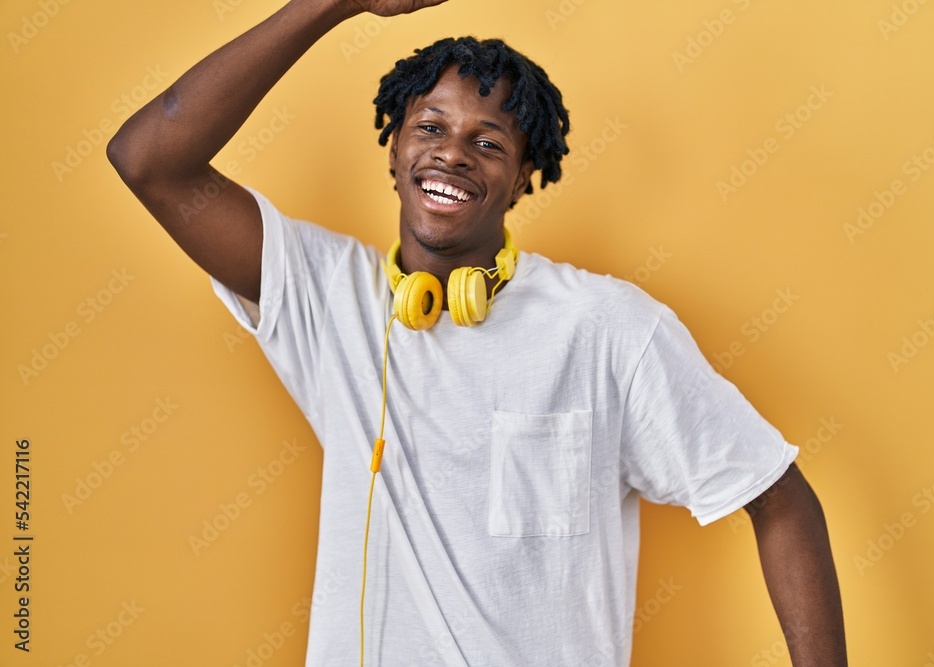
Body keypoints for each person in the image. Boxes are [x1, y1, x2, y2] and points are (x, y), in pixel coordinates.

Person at [107, 0, 847, 664]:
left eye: (489, 142)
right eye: (429, 127)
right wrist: (334, 4)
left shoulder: (609, 327)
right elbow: (149, 160)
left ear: (525, 177)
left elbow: (778, 497)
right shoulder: (325, 295)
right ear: (394, 150)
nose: (452, 152)